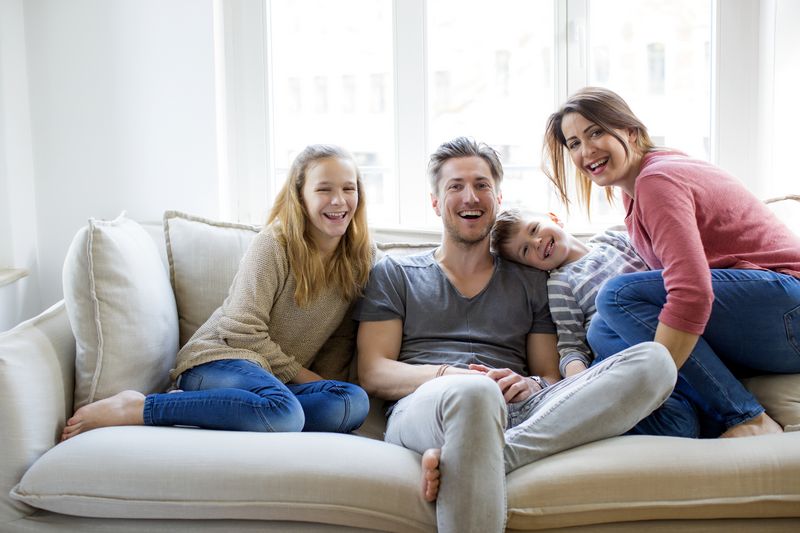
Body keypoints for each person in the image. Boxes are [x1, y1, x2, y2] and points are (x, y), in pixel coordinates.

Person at [355, 136, 677, 533]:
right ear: (436, 202)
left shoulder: (531, 279)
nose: (470, 196)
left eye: (481, 185)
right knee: (475, 393)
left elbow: (551, 376)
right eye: (455, 186)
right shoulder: (396, 273)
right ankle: (474, 444)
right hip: (427, 406)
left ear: (498, 197)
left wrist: (531, 383)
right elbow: (374, 371)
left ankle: (484, 457)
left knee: (654, 361)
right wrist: (450, 377)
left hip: (521, 412)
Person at [62, 144, 372, 440]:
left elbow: (341, 341)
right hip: (217, 360)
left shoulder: (359, 259)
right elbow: (240, 331)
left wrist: (325, 386)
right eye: (324, 189)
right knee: (285, 412)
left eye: (348, 188)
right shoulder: (274, 244)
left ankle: (245, 410)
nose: (339, 200)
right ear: (300, 196)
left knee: (352, 402)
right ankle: (141, 406)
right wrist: (305, 378)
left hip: (271, 382)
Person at [542, 86, 800, 439]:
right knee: (601, 328)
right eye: (573, 143)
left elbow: (691, 292)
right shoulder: (634, 194)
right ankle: (683, 414)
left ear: (630, 131)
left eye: (596, 132)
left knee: (616, 297)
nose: (586, 151)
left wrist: (652, 373)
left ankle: (745, 418)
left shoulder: (656, 180)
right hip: (764, 321)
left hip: (789, 307)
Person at [490, 209, 706, 437]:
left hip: (665, 334)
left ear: (554, 218)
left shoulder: (613, 239)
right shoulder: (560, 284)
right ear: (530, 267)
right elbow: (571, 347)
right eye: (525, 250)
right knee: (684, 425)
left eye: (534, 229)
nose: (536, 242)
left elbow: (662, 274)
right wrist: (582, 384)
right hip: (623, 357)